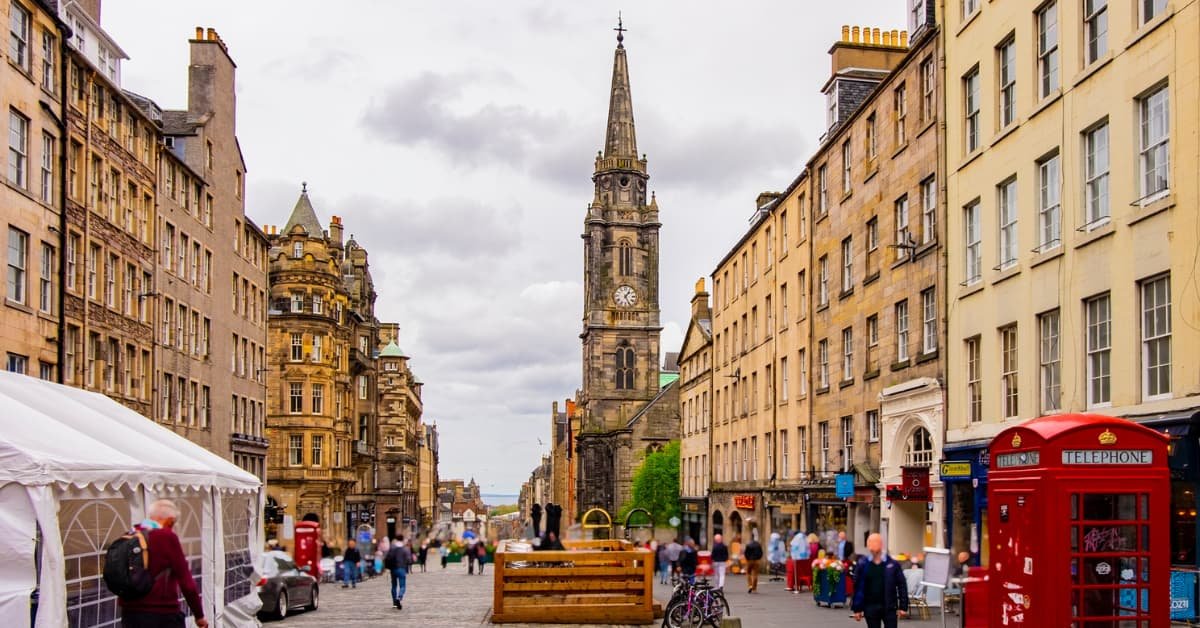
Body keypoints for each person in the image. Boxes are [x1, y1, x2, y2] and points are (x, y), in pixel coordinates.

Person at [118, 499, 208, 628]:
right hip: (162, 614)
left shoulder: (129, 535)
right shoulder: (167, 537)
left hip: (130, 615)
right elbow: (187, 584)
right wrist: (199, 616)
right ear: (170, 520)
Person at [851, 533, 909, 628]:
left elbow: (902, 585)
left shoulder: (892, 564)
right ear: (868, 545)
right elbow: (858, 587)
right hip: (870, 608)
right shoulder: (863, 563)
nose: (873, 545)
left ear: (881, 544)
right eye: (870, 542)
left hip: (889, 607)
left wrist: (903, 606)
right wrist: (857, 609)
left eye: (876, 542)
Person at [384, 535, 413, 610]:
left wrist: (387, 567)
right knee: (402, 585)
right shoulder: (405, 549)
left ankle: (394, 603)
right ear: (402, 539)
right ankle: (399, 597)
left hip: (393, 569)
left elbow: (387, 558)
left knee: (394, 585)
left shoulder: (392, 548)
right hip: (401, 569)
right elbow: (409, 560)